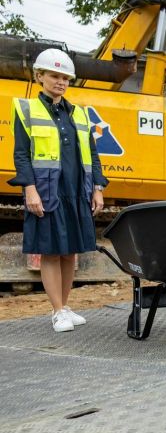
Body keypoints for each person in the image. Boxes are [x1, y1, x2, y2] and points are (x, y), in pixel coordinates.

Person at [8, 48, 108, 332]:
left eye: (65, 78)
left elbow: (92, 154)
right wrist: (30, 190)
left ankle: (65, 306)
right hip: (47, 190)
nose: (61, 82)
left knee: (70, 251)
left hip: (77, 191)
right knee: (51, 252)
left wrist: (97, 188)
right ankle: (56, 310)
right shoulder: (27, 110)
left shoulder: (80, 114)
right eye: (54, 76)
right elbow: (21, 155)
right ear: (39, 76)